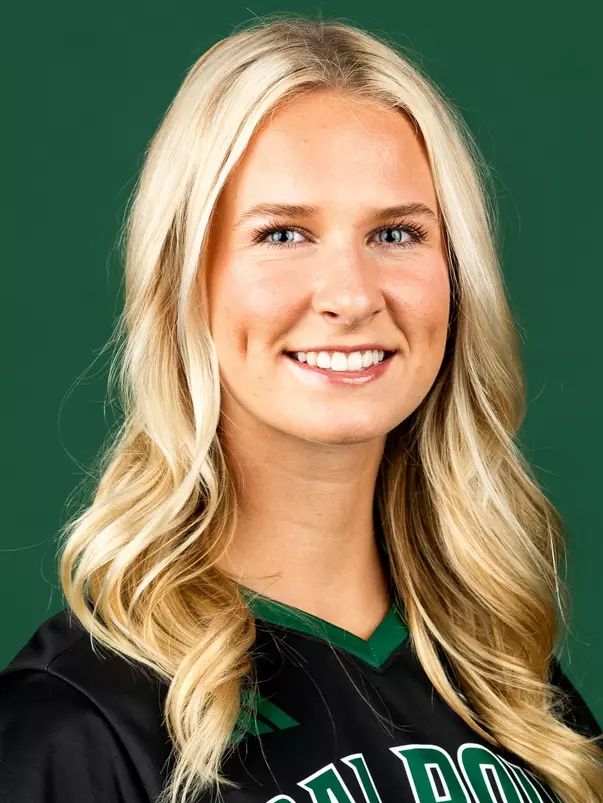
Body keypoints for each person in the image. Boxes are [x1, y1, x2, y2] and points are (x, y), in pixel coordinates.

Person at [0, 13, 601, 803]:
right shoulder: (77, 721)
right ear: (184, 280)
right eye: (282, 234)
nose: (351, 295)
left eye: (395, 233)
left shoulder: (515, 694)